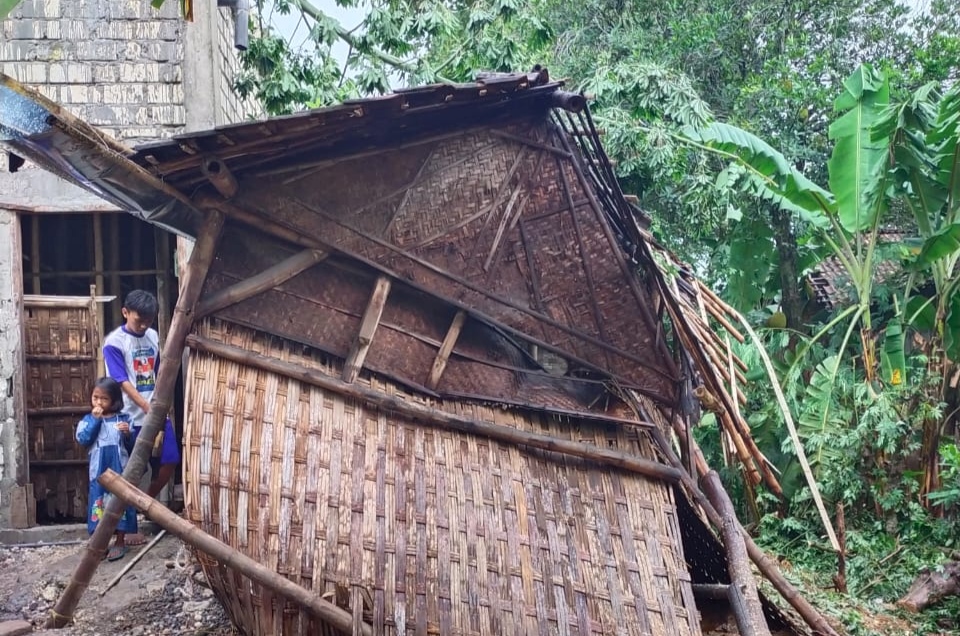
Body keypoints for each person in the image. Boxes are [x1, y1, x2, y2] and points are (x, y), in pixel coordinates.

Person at [103, 290, 180, 503]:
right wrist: (146, 406)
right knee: (131, 468)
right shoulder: (114, 342)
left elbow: (159, 372)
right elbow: (121, 381)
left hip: (155, 412)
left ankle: (144, 503)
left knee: (170, 459)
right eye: (139, 320)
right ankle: (127, 514)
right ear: (125, 312)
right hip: (128, 415)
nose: (144, 325)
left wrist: (159, 404)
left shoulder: (153, 336)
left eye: (149, 320)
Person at [76, 377, 137, 561]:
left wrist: (127, 433)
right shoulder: (88, 420)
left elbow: (133, 447)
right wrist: (95, 420)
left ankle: (120, 541)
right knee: (98, 502)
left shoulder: (124, 419)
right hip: (99, 470)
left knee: (120, 501)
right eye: (95, 398)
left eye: (104, 399)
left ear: (114, 400)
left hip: (119, 468)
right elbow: (83, 439)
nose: (99, 402)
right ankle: (100, 543)